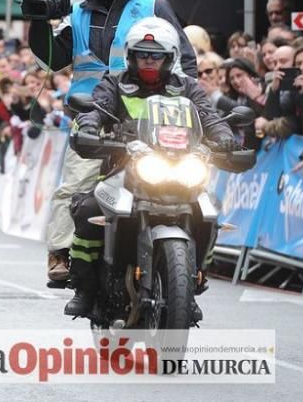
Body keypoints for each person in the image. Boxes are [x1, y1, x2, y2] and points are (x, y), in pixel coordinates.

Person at [26, 0, 197, 284]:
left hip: (152, 118)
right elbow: (53, 58)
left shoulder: (153, 7)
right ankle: (60, 252)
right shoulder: (76, 12)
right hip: (92, 116)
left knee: (189, 183)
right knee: (75, 186)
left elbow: (187, 63)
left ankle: (189, 263)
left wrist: (189, 107)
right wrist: (38, 21)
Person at [64, 18, 236, 316]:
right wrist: (89, 127)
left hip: (180, 170)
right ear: (130, 55)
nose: (149, 60)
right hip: (125, 169)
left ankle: (191, 284)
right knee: (88, 209)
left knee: (209, 211)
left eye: (156, 56)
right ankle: (85, 286)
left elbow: (209, 117)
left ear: (169, 58)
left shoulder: (187, 87)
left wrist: (224, 137)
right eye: (143, 54)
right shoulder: (114, 83)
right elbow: (95, 109)